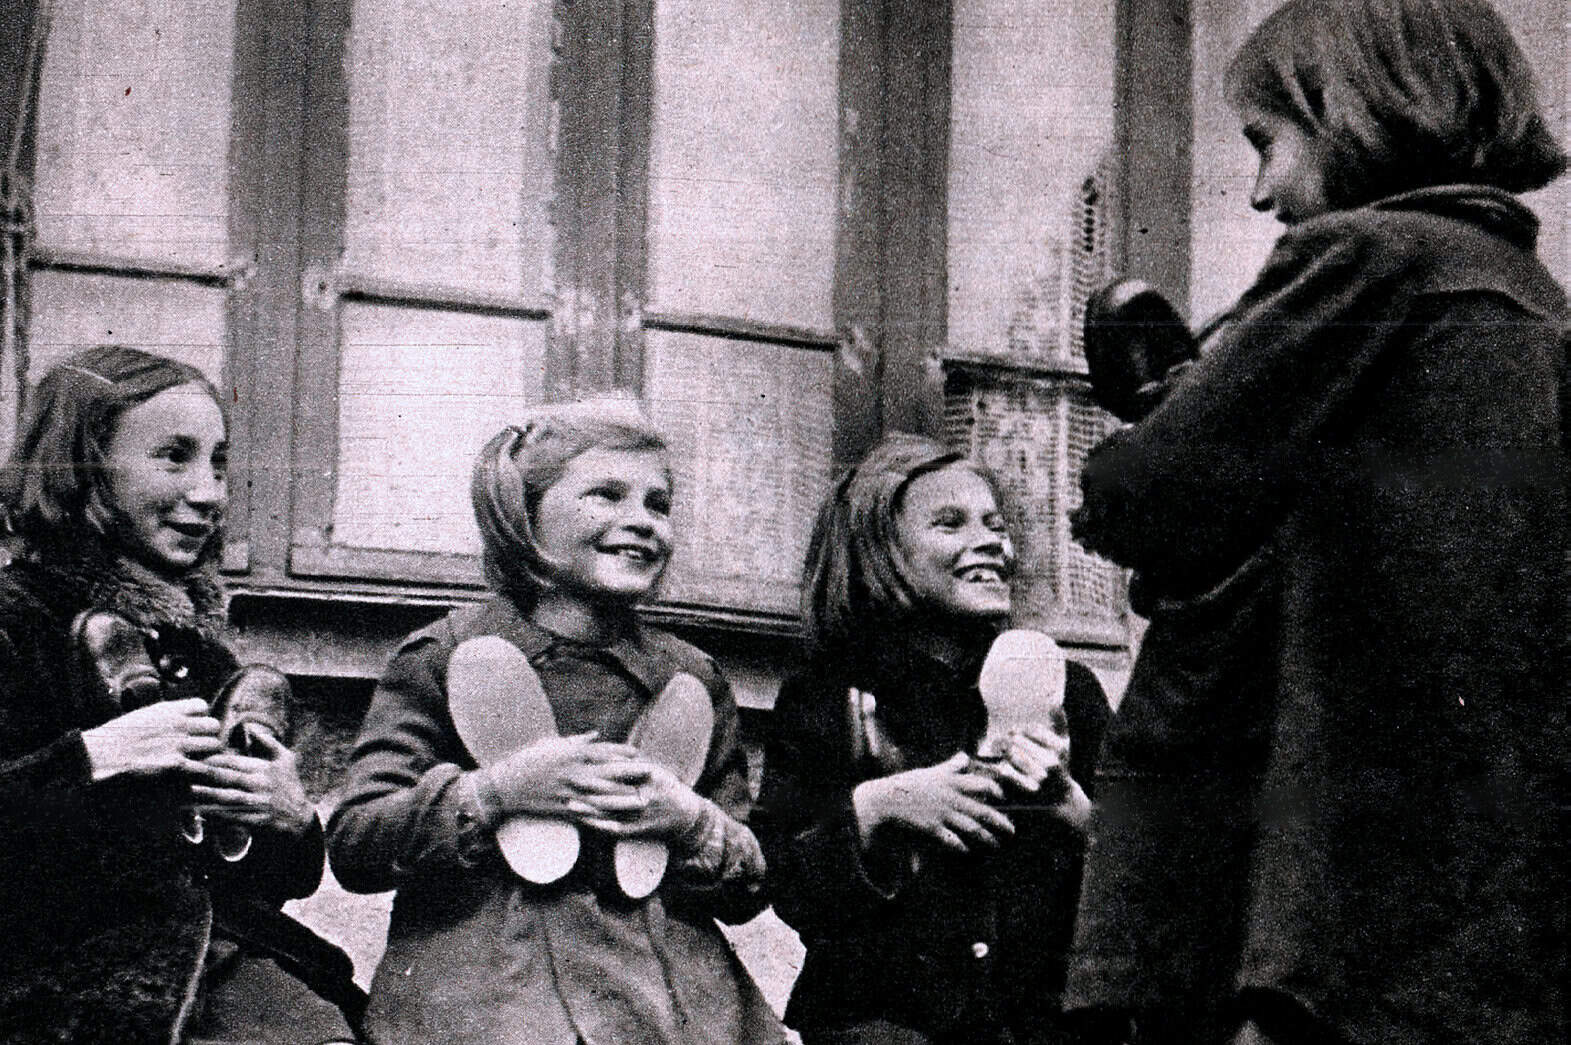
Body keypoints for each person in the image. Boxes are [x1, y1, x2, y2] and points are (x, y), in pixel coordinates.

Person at [1063, 1, 1571, 1043]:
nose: (1260, 194)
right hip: (1460, 913)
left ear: (1353, 113)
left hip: (1285, 902)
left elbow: (1137, 496)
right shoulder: (1533, 302)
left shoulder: (1365, 257)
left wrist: (1171, 409)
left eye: (1266, 144)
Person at [326, 400, 783, 1045]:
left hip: (668, 991)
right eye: (607, 495)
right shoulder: (446, 655)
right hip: (491, 986)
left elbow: (747, 891)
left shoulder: (690, 679)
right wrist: (494, 794)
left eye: (658, 504)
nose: (641, 522)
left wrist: (691, 821)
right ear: (525, 516)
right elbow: (355, 842)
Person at [0, 346, 360, 1043]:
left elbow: (262, 882)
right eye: (175, 457)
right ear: (83, 468)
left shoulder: (199, 649)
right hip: (47, 988)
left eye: (218, 463)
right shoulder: (14, 620)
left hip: (202, 972)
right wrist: (92, 759)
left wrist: (286, 816)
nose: (209, 491)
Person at [753, 434, 1111, 1045]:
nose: (990, 541)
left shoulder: (1066, 691)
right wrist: (880, 805)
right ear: (877, 552)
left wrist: (1067, 806)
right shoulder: (827, 696)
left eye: (995, 524)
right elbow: (780, 878)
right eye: (950, 523)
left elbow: (1148, 870)